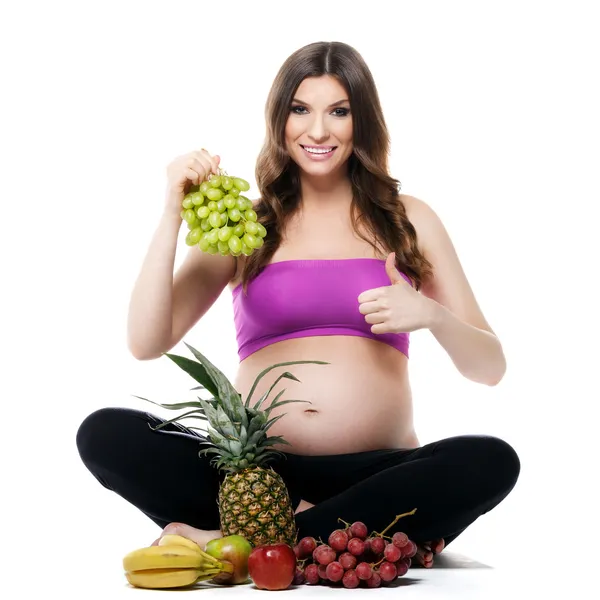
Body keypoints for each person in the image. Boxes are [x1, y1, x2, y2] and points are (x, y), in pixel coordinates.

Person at [76, 41, 520, 569]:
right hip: (251, 480)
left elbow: (489, 368)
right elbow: (146, 341)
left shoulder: (409, 219)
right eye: (300, 110)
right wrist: (172, 211)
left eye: (339, 111)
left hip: (377, 472)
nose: (317, 131)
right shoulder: (247, 226)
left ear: (364, 121)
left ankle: (241, 540)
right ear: (279, 119)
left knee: (490, 460)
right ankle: (340, 535)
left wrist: (433, 316)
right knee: (105, 433)